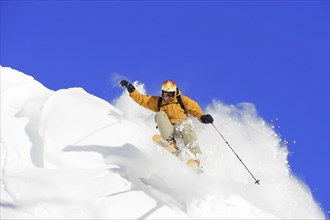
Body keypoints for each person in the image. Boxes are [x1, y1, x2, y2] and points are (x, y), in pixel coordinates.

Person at [119, 79, 214, 165]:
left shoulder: (182, 100)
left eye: (170, 95)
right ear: (162, 93)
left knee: (185, 127)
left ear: (174, 93)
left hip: (181, 128)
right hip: (169, 130)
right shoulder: (158, 102)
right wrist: (131, 90)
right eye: (165, 94)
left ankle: (195, 157)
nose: (167, 97)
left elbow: (195, 109)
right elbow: (143, 100)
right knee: (159, 114)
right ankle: (170, 142)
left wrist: (203, 117)